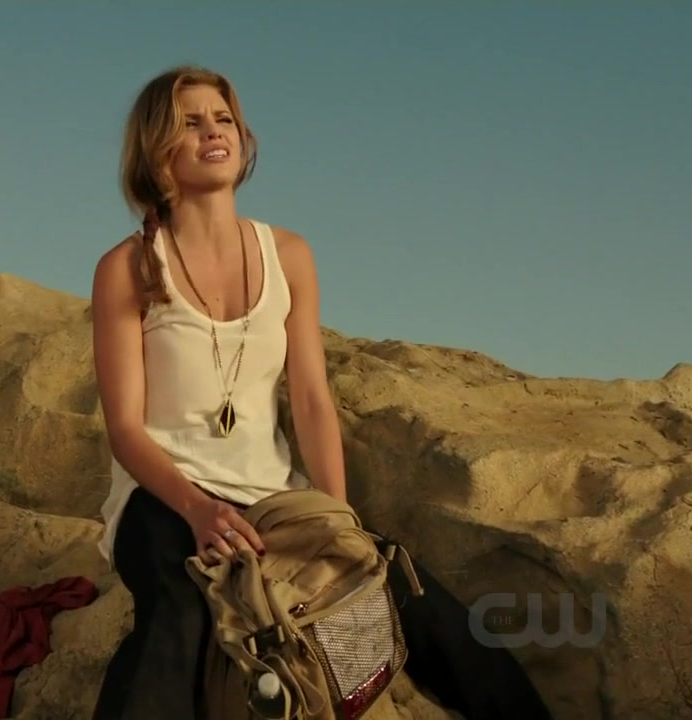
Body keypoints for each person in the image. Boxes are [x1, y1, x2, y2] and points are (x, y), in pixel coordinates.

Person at [89, 65, 554, 720]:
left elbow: (310, 399)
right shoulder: (126, 267)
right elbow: (125, 430)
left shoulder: (289, 255)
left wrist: (339, 520)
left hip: (274, 495)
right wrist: (197, 510)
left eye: (223, 119)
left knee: (408, 595)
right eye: (190, 123)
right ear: (156, 150)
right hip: (164, 497)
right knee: (180, 607)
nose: (214, 132)